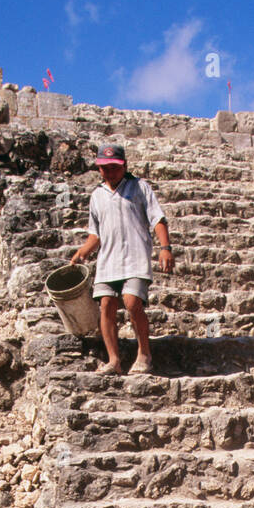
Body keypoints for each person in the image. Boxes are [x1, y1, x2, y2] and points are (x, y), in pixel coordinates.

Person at [70, 143, 173, 376]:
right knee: (106, 304)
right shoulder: (97, 196)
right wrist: (84, 251)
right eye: (105, 168)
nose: (109, 172)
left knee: (132, 302)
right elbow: (95, 233)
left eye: (114, 168)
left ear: (124, 166)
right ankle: (113, 360)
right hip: (108, 260)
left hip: (135, 256)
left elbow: (158, 218)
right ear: (99, 169)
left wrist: (165, 247)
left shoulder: (139, 187)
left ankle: (144, 353)